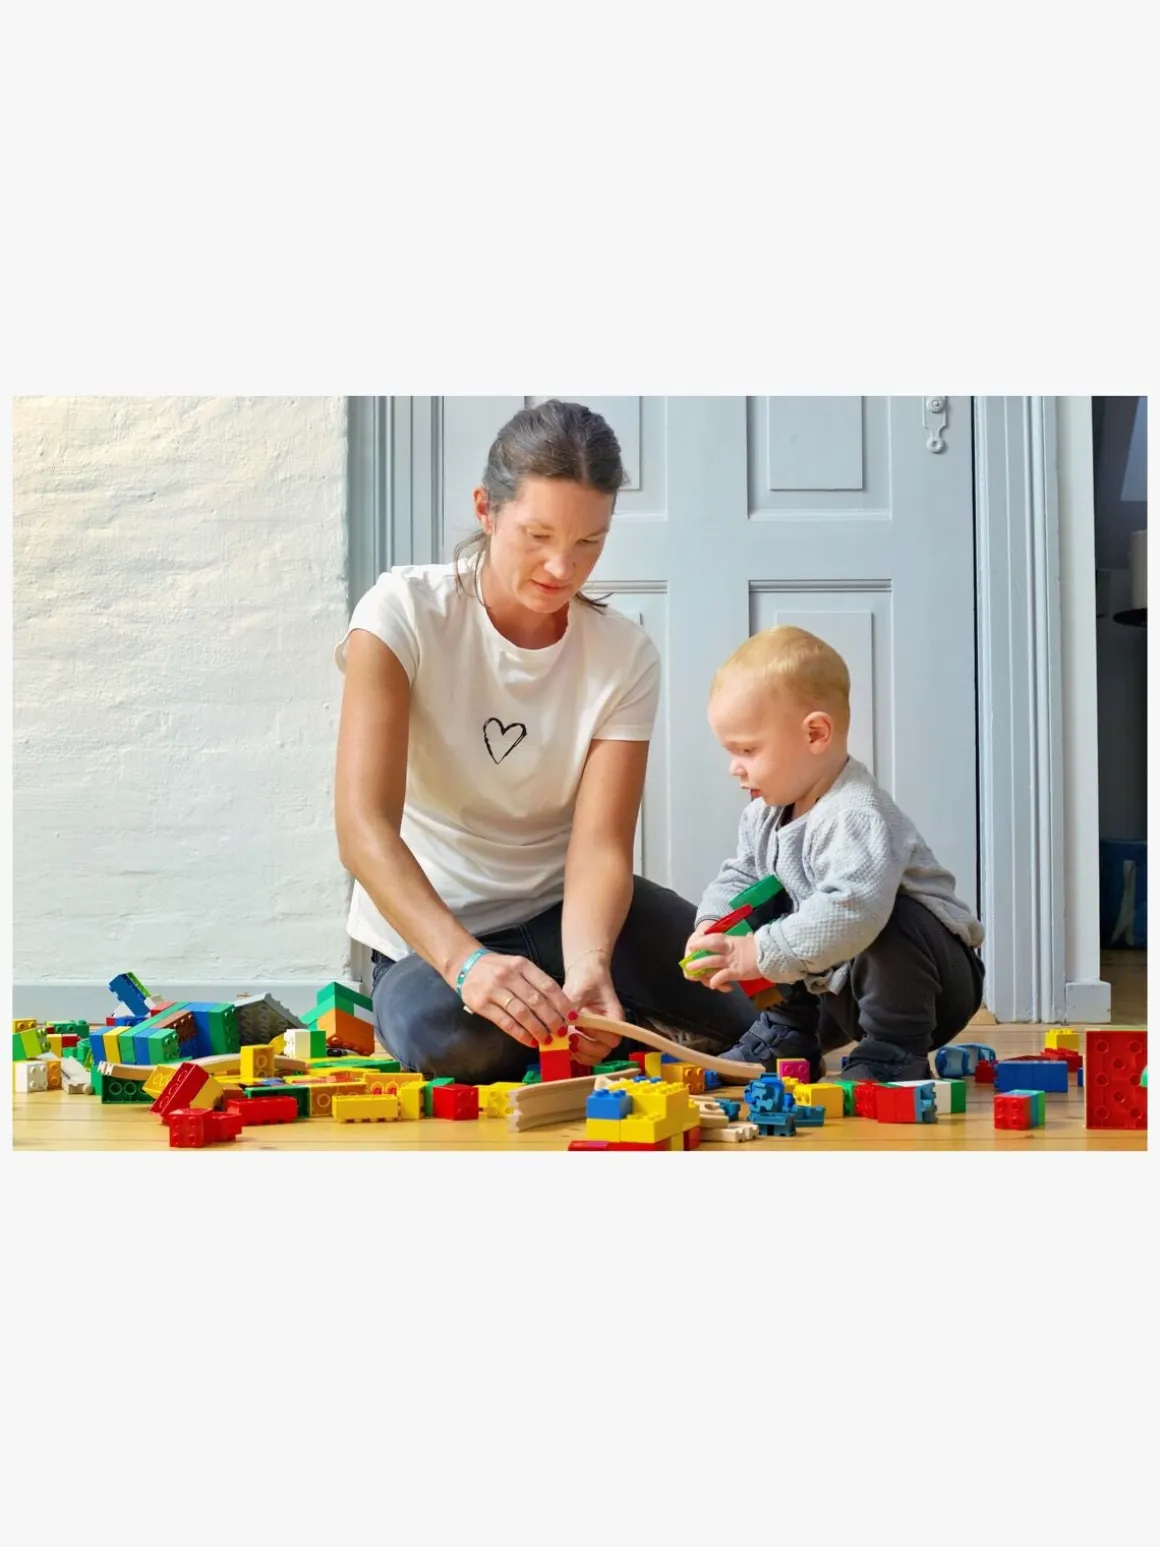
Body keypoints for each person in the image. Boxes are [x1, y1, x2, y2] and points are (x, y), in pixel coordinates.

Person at [333, 399, 756, 1084]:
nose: (563, 566)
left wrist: (590, 963)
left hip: (570, 917)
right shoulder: (400, 613)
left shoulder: (624, 655)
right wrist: (466, 964)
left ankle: (597, 1014)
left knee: (762, 1016)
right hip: (436, 942)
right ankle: (619, 1031)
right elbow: (363, 829)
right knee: (453, 1043)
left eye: (590, 541)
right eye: (538, 535)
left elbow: (600, 845)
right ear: (486, 509)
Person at [682, 625, 986, 1085]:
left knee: (879, 912)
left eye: (747, 749)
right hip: (841, 985)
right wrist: (714, 925)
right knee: (766, 900)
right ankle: (788, 1032)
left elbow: (853, 910)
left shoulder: (856, 814)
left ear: (815, 733)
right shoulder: (764, 814)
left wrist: (759, 951)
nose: (734, 767)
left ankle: (893, 1049)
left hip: (932, 986)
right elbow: (740, 877)